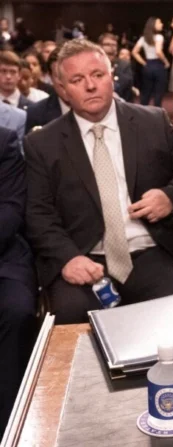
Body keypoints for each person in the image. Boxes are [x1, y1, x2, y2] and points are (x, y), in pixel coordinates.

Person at [24, 39, 173, 324]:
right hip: (84, 258)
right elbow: (39, 214)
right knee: (70, 316)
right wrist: (67, 258)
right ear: (62, 90)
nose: (90, 86)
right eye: (77, 79)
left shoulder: (154, 122)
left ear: (110, 76)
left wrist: (171, 196)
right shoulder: (42, 143)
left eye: (98, 75)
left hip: (149, 251)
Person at [0, 126, 36, 436]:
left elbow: (10, 211)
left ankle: (11, 428)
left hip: (3, 255)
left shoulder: (4, 140)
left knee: (16, 309)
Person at [25, 47, 69, 134]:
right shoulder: (34, 113)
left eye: (69, 75)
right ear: (50, 77)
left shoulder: (96, 107)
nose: (64, 82)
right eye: (58, 76)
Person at [132, 17, 169, 107]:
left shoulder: (143, 38)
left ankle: (142, 113)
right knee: (158, 92)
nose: (162, 24)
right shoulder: (159, 37)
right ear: (153, 26)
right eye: (159, 23)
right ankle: (157, 114)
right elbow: (158, 51)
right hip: (158, 65)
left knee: (146, 92)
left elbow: (134, 52)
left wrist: (144, 63)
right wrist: (166, 61)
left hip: (148, 65)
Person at [99, 33, 134, 102]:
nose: (112, 47)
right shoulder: (93, 65)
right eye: (107, 44)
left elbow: (123, 87)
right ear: (100, 46)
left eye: (114, 45)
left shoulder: (124, 65)